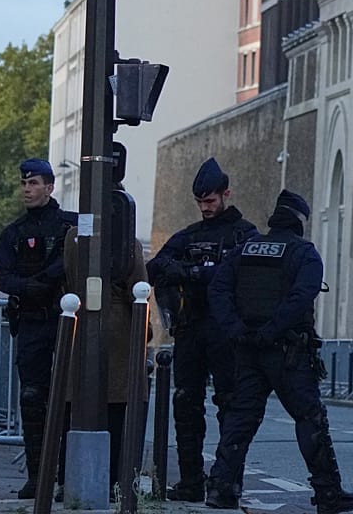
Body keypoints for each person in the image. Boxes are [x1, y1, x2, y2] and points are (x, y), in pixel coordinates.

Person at [205, 190, 353, 514]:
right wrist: (271, 330)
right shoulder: (303, 254)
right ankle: (328, 494)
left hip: (248, 349)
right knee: (309, 418)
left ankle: (221, 489)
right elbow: (301, 298)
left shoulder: (243, 251)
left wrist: (236, 330)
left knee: (240, 419)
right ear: (300, 221)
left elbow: (218, 289)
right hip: (287, 351)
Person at [145, 157, 259, 501]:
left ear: (227, 194)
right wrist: (188, 270)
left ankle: (227, 482)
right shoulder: (190, 236)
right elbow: (155, 267)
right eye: (200, 202)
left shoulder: (244, 233)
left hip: (227, 333)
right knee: (186, 404)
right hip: (192, 329)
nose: (205, 208)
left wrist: (196, 273)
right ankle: (191, 480)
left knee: (230, 407)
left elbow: (241, 274)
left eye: (210, 201)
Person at [0, 159, 78, 498]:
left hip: (64, 320)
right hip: (31, 321)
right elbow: (2, 274)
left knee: (69, 399)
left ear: (50, 187)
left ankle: (66, 475)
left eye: (34, 183)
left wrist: (47, 279)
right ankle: (37, 475)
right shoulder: (13, 233)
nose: (27, 189)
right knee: (31, 399)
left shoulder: (69, 225)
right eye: (24, 184)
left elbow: (77, 258)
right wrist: (29, 288)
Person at [61, 199, 149, 498]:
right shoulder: (126, 242)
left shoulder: (73, 236)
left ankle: (66, 478)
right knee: (117, 409)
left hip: (78, 327)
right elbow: (138, 287)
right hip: (118, 330)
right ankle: (116, 483)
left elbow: (68, 278)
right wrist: (144, 330)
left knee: (74, 405)